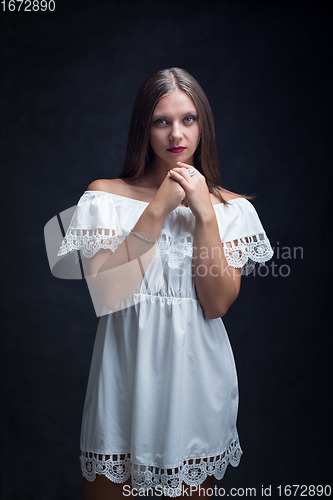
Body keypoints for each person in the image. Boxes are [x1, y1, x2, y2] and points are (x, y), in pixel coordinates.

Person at [55, 67, 274, 499]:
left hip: (194, 387)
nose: (177, 134)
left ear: (202, 126)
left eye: (188, 119)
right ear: (144, 128)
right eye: (162, 121)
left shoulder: (232, 211)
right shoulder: (104, 197)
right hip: (122, 384)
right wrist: (158, 207)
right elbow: (108, 292)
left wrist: (204, 214)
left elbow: (216, 304)